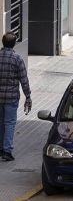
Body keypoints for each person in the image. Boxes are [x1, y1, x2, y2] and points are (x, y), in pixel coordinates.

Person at [0, 32, 31, 161]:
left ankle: (1, 148)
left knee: (1, 123)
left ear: (3, 42)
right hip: (11, 98)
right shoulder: (17, 59)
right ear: (14, 44)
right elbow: (24, 80)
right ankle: (7, 150)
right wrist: (28, 96)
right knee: (9, 123)